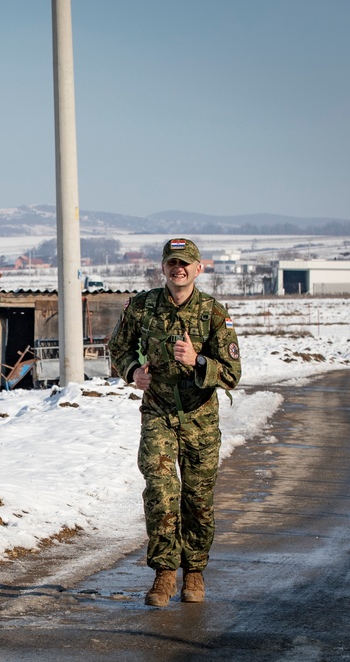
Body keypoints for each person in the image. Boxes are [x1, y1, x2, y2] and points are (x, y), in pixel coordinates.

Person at [108, 238, 241, 607]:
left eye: (185, 263)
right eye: (172, 263)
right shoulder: (142, 307)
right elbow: (117, 347)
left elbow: (232, 373)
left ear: (198, 269)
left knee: (197, 498)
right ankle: (165, 572)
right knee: (162, 491)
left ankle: (194, 572)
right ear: (163, 268)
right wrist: (133, 371)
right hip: (159, 413)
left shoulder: (213, 313)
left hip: (199, 418)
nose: (178, 269)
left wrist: (198, 360)